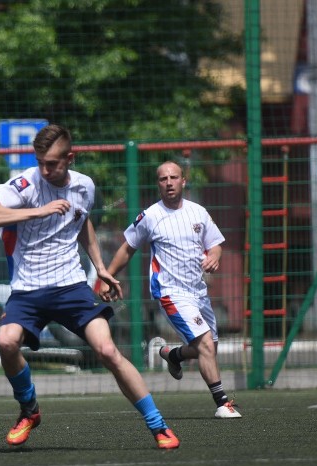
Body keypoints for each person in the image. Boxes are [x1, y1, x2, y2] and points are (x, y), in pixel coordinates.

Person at [0, 124, 179, 449]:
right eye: (41, 161)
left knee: (107, 350)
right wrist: (38, 210)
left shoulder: (84, 186)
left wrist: (101, 267)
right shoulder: (27, 183)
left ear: (70, 158)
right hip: (28, 290)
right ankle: (29, 409)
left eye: (53, 163)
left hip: (70, 287)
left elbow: (82, 221)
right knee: (5, 341)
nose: (46, 169)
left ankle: (158, 425)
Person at [100, 160, 241, 418]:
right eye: (163, 179)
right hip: (171, 292)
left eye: (174, 177)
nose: (169, 183)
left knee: (209, 347)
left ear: (183, 181)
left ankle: (173, 354)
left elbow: (216, 243)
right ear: (158, 184)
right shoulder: (150, 216)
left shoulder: (198, 212)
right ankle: (222, 403)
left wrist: (215, 256)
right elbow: (127, 247)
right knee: (206, 344)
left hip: (199, 292)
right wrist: (108, 276)